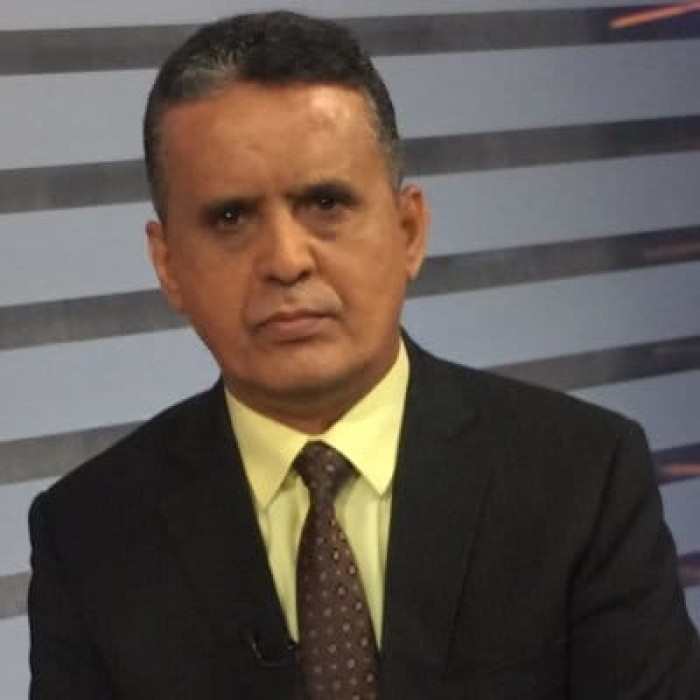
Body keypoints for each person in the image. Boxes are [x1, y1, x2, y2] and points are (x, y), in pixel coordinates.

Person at [27, 11, 699, 699]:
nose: (286, 260)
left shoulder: (582, 477)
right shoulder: (88, 536)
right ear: (168, 264)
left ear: (409, 231)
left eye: (325, 202)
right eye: (230, 217)